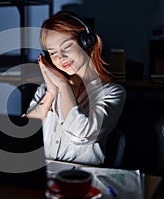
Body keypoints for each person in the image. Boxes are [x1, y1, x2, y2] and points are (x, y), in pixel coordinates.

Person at [25, 11, 126, 165]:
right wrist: (51, 93)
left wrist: (63, 86)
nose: (60, 57)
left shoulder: (112, 93)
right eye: (52, 53)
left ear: (87, 44)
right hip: (44, 174)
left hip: (84, 177)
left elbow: (82, 135)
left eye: (67, 46)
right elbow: (26, 134)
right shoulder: (45, 90)